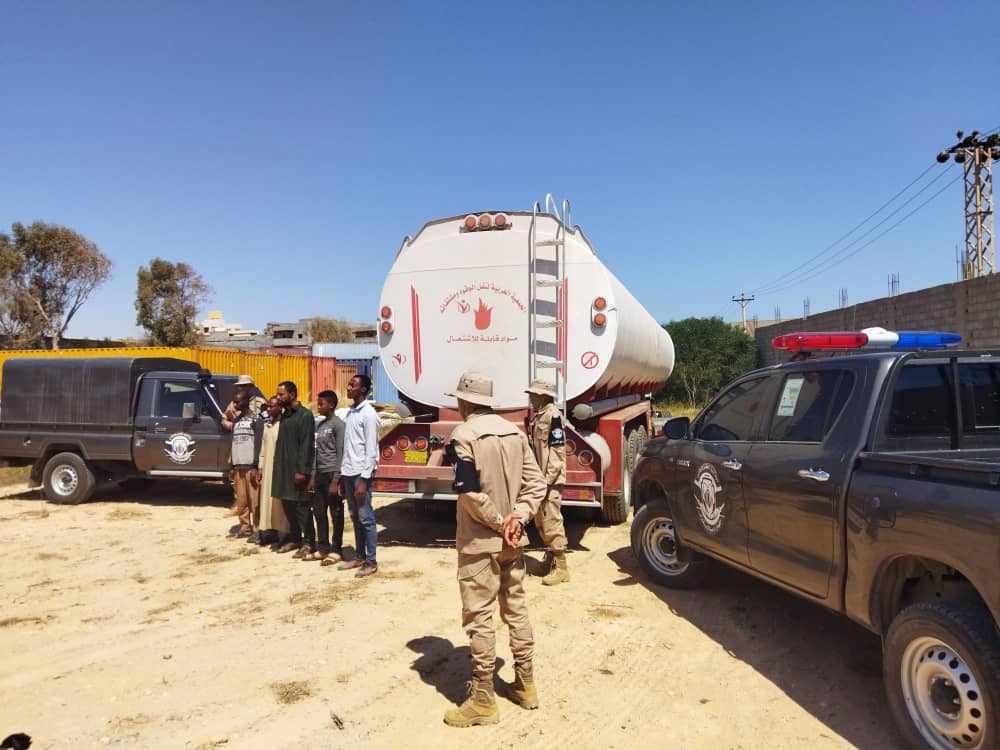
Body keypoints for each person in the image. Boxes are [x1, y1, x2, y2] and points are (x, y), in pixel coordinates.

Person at [441, 371, 546, 728]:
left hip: (480, 543)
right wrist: (519, 517)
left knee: (480, 616)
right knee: (516, 608)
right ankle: (526, 685)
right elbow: (536, 483)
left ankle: (483, 700)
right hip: (513, 541)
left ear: (463, 401)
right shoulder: (515, 433)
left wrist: (501, 522)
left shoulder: (463, 436)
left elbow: (469, 493)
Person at [525, 379, 570, 585]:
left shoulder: (553, 416)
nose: (531, 398)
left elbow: (557, 453)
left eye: (533, 395)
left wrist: (547, 481)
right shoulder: (539, 416)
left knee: (551, 520)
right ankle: (550, 558)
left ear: (543, 396)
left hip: (549, 481)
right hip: (541, 480)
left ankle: (562, 568)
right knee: (540, 521)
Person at [337, 374, 380, 578]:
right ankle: (360, 556)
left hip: (361, 474)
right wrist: (342, 475)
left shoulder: (368, 414)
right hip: (348, 471)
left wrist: (364, 480)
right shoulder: (351, 412)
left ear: (363, 389)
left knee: (366, 518)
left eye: (352, 385)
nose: (348, 388)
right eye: (349, 384)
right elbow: (349, 447)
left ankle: (371, 561)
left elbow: (371, 450)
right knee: (355, 517)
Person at [272, 381, 316, 557]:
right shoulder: (285, 415)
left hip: (297, 471)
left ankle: (309, 542)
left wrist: (302, 471)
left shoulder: (305, 415)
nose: (278, 398)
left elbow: (306, 445)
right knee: (288, 505)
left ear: (292, 394)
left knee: (301, 507)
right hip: (284, 470)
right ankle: (295, 539)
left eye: (281, 394)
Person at [304, 390, 346, 564]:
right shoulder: (320, 425)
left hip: (332, 474)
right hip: (320, 475)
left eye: (321, 403)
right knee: (319, 513)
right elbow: (316, 452)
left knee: (336, 513)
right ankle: (322, 548)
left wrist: (336, 479)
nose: (318, 406)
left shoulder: (339, 425)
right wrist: (313, 476)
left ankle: (336, 550)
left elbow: (341, 452)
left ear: (331, 405)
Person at [227, 391, 264, 539]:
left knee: (254, 500)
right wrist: (231, 466)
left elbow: (259, 444)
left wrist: (255, 466)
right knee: (242, 500)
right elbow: (233, 443)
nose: (235, 404)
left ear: (246, 402)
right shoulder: (236, 421)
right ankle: (245, 527)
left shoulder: (256, 419)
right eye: (234, 402)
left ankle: (258, 529)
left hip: (250, 466)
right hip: (238, 466)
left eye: (238, 402)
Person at [254, 396, 289, 546]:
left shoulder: (284, 426)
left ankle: (284, 533)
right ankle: (269, 531)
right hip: (267, 470)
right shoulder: (267, 426)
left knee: (278, 503)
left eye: (271, 406)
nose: (268, 409)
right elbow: (263, 450)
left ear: (280, 408)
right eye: (267, 406)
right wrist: (260, 467)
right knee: (266, 500)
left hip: (279, 470)